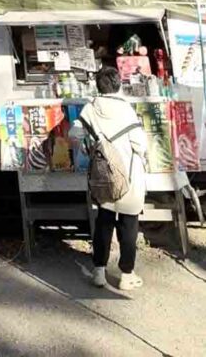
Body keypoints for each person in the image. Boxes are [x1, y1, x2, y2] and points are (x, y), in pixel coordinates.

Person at [79, 67, 148, 291]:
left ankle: (99, 271)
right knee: (129, 223)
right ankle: (126, 274)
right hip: (128, 174)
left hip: (102, 175)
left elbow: (77, 136)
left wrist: (92, 147)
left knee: (104, 220)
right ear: (118, 84)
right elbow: (140, 145)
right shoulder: (126, 109)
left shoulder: (90, 108)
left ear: (98, 85)